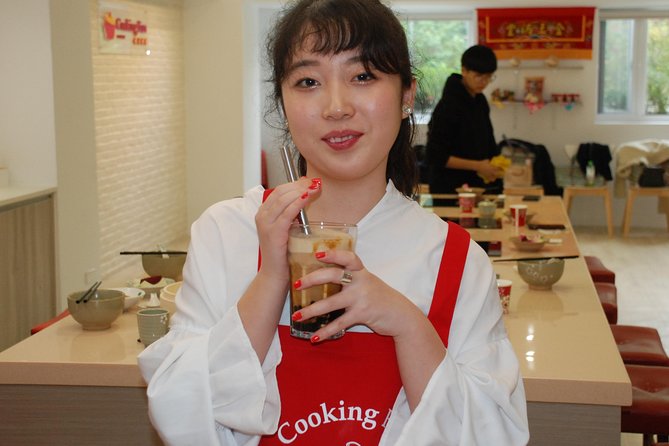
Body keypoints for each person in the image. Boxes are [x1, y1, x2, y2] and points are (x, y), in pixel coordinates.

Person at [138, 1, 529, 445]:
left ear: (406, 97)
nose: (336, 106)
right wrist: (270, 279)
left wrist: (407, 323)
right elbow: (181, 417)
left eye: (363, 76)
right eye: (308, 81)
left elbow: (491, 434)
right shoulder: (228, 232)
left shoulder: (457, 262)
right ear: (282, 102)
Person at [426, 44, 504, 194]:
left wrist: (496, 164)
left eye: (488, 77)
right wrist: (478, 166)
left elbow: (488, 141)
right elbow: (435, 156)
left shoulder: (480, 100)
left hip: (477, 186)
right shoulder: (448, 106)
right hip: (449, 188)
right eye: (479, 76)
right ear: (464, 71)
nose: (484, 82)